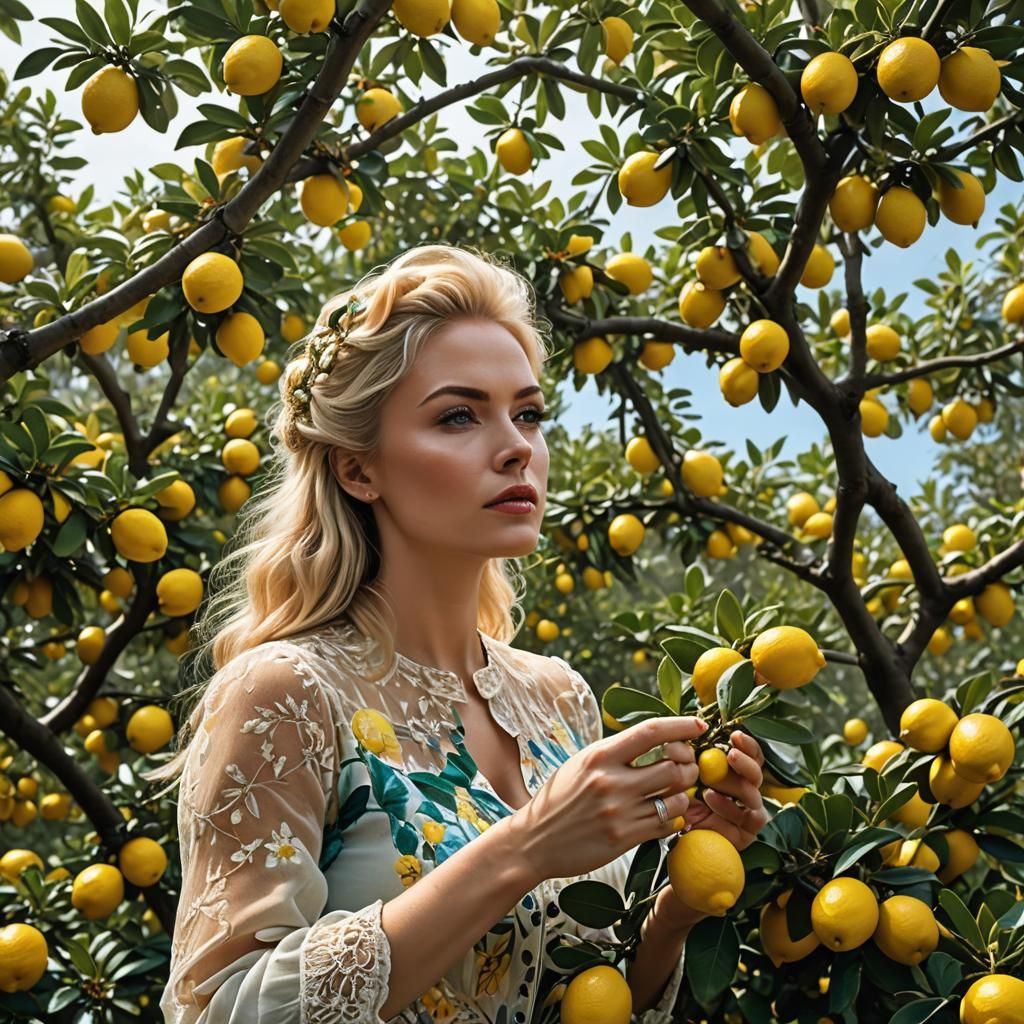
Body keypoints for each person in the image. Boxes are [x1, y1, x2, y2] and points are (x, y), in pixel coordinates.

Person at [146, 243, 769, 1024]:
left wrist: (673, 910)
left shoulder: (560, 699)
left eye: (529, 413)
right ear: (357, 469)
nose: (517, 447)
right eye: (458, 416)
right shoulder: (286, 692)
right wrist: (523, 848)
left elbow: (582, 997)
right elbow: (216, 1011)